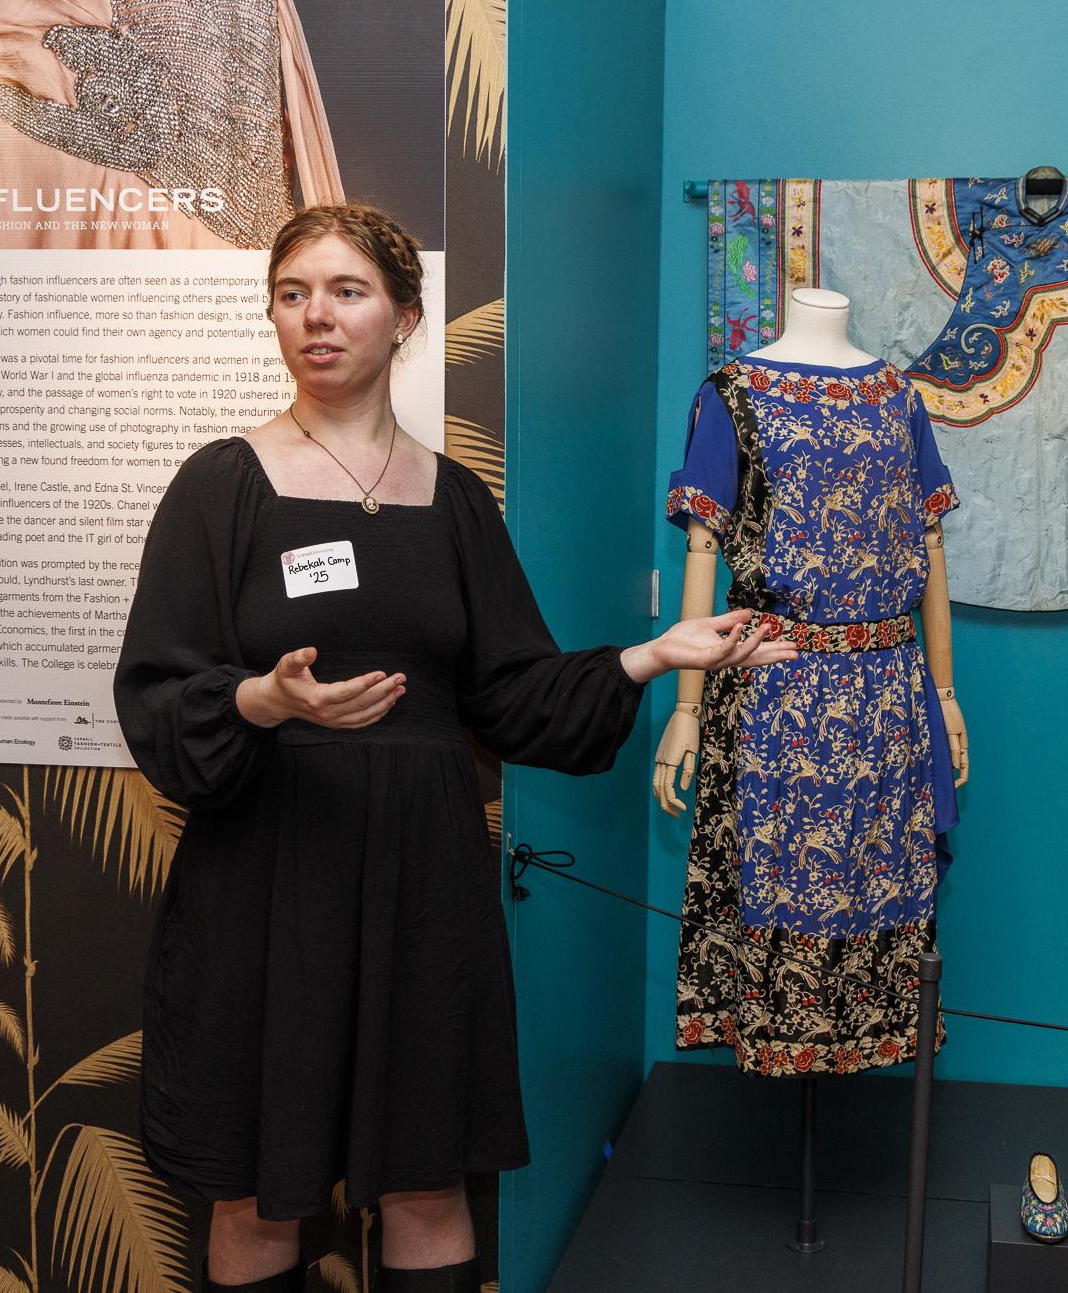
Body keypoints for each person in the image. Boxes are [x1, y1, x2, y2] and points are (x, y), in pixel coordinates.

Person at [113, 202, 797, 1291]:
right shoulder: (222, 483)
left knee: (427, 1181)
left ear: (406, 317)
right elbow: (155, 690)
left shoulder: (453, 497)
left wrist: (651, 655)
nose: (315, 318)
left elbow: (516, 696)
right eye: (292, 295)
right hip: (267, 879)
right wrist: (264, 699)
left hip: (424, 882)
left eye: (346, 292)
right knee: (256, 1183)